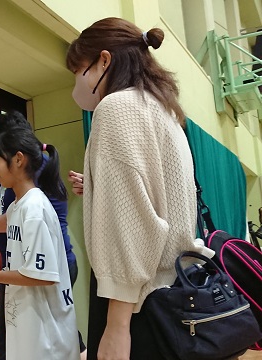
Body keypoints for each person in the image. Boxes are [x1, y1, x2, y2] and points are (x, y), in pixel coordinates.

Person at [65, 17, 214, 360]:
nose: (77, 82)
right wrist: (100, 189)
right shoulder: (162, 108)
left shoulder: (116, 108)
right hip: (172, 289)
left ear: (104, 60)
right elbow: (155, 194)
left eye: (78, 71)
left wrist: (116, 326)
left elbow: (136, 224)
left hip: (138, 304)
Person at [0, 126, 80, 360]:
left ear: (18, 160)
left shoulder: (34, 208)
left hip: (46, 337)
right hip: (27, 323)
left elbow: (42, 275)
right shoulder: (17, 206)